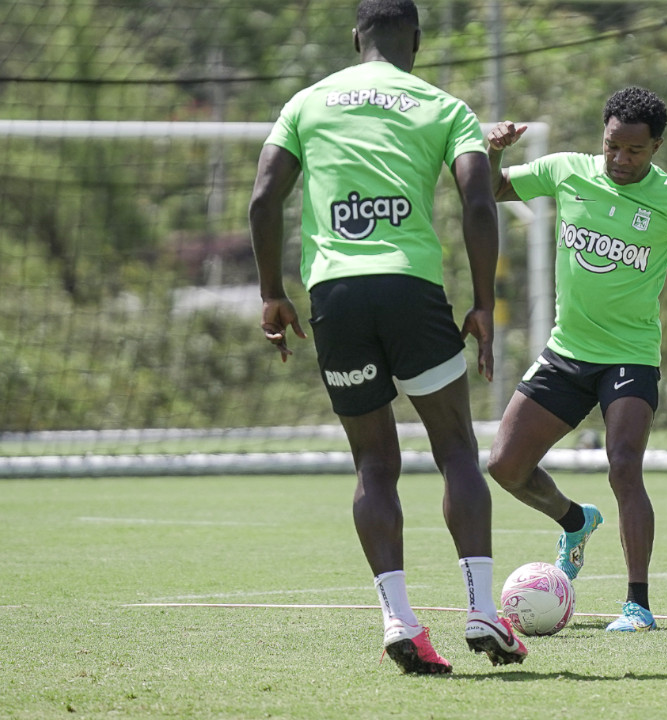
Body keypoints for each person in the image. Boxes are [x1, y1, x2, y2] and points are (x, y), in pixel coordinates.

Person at [248, 0, 526, 674]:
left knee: (374, 464)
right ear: (417, 41)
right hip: (410, 290)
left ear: (356, 38)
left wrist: (271, 293)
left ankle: (399, 620)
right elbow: (479, 201)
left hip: (335, 297)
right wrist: (482, 303)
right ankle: (482, 610)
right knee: (456, 449)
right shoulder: (447, 108)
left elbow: (263, 199)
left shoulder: (306, 103)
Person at [484, 87, 667, 632]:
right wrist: (493, 151)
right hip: (567, 352)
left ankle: (637, 604)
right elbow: (493, 188)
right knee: (504, 466)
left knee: (624, 465)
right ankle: (574, 521)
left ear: (656, 147)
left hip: (630, 357)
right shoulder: (567, 171)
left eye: (634, 150)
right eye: (612, 145)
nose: (620, 158)